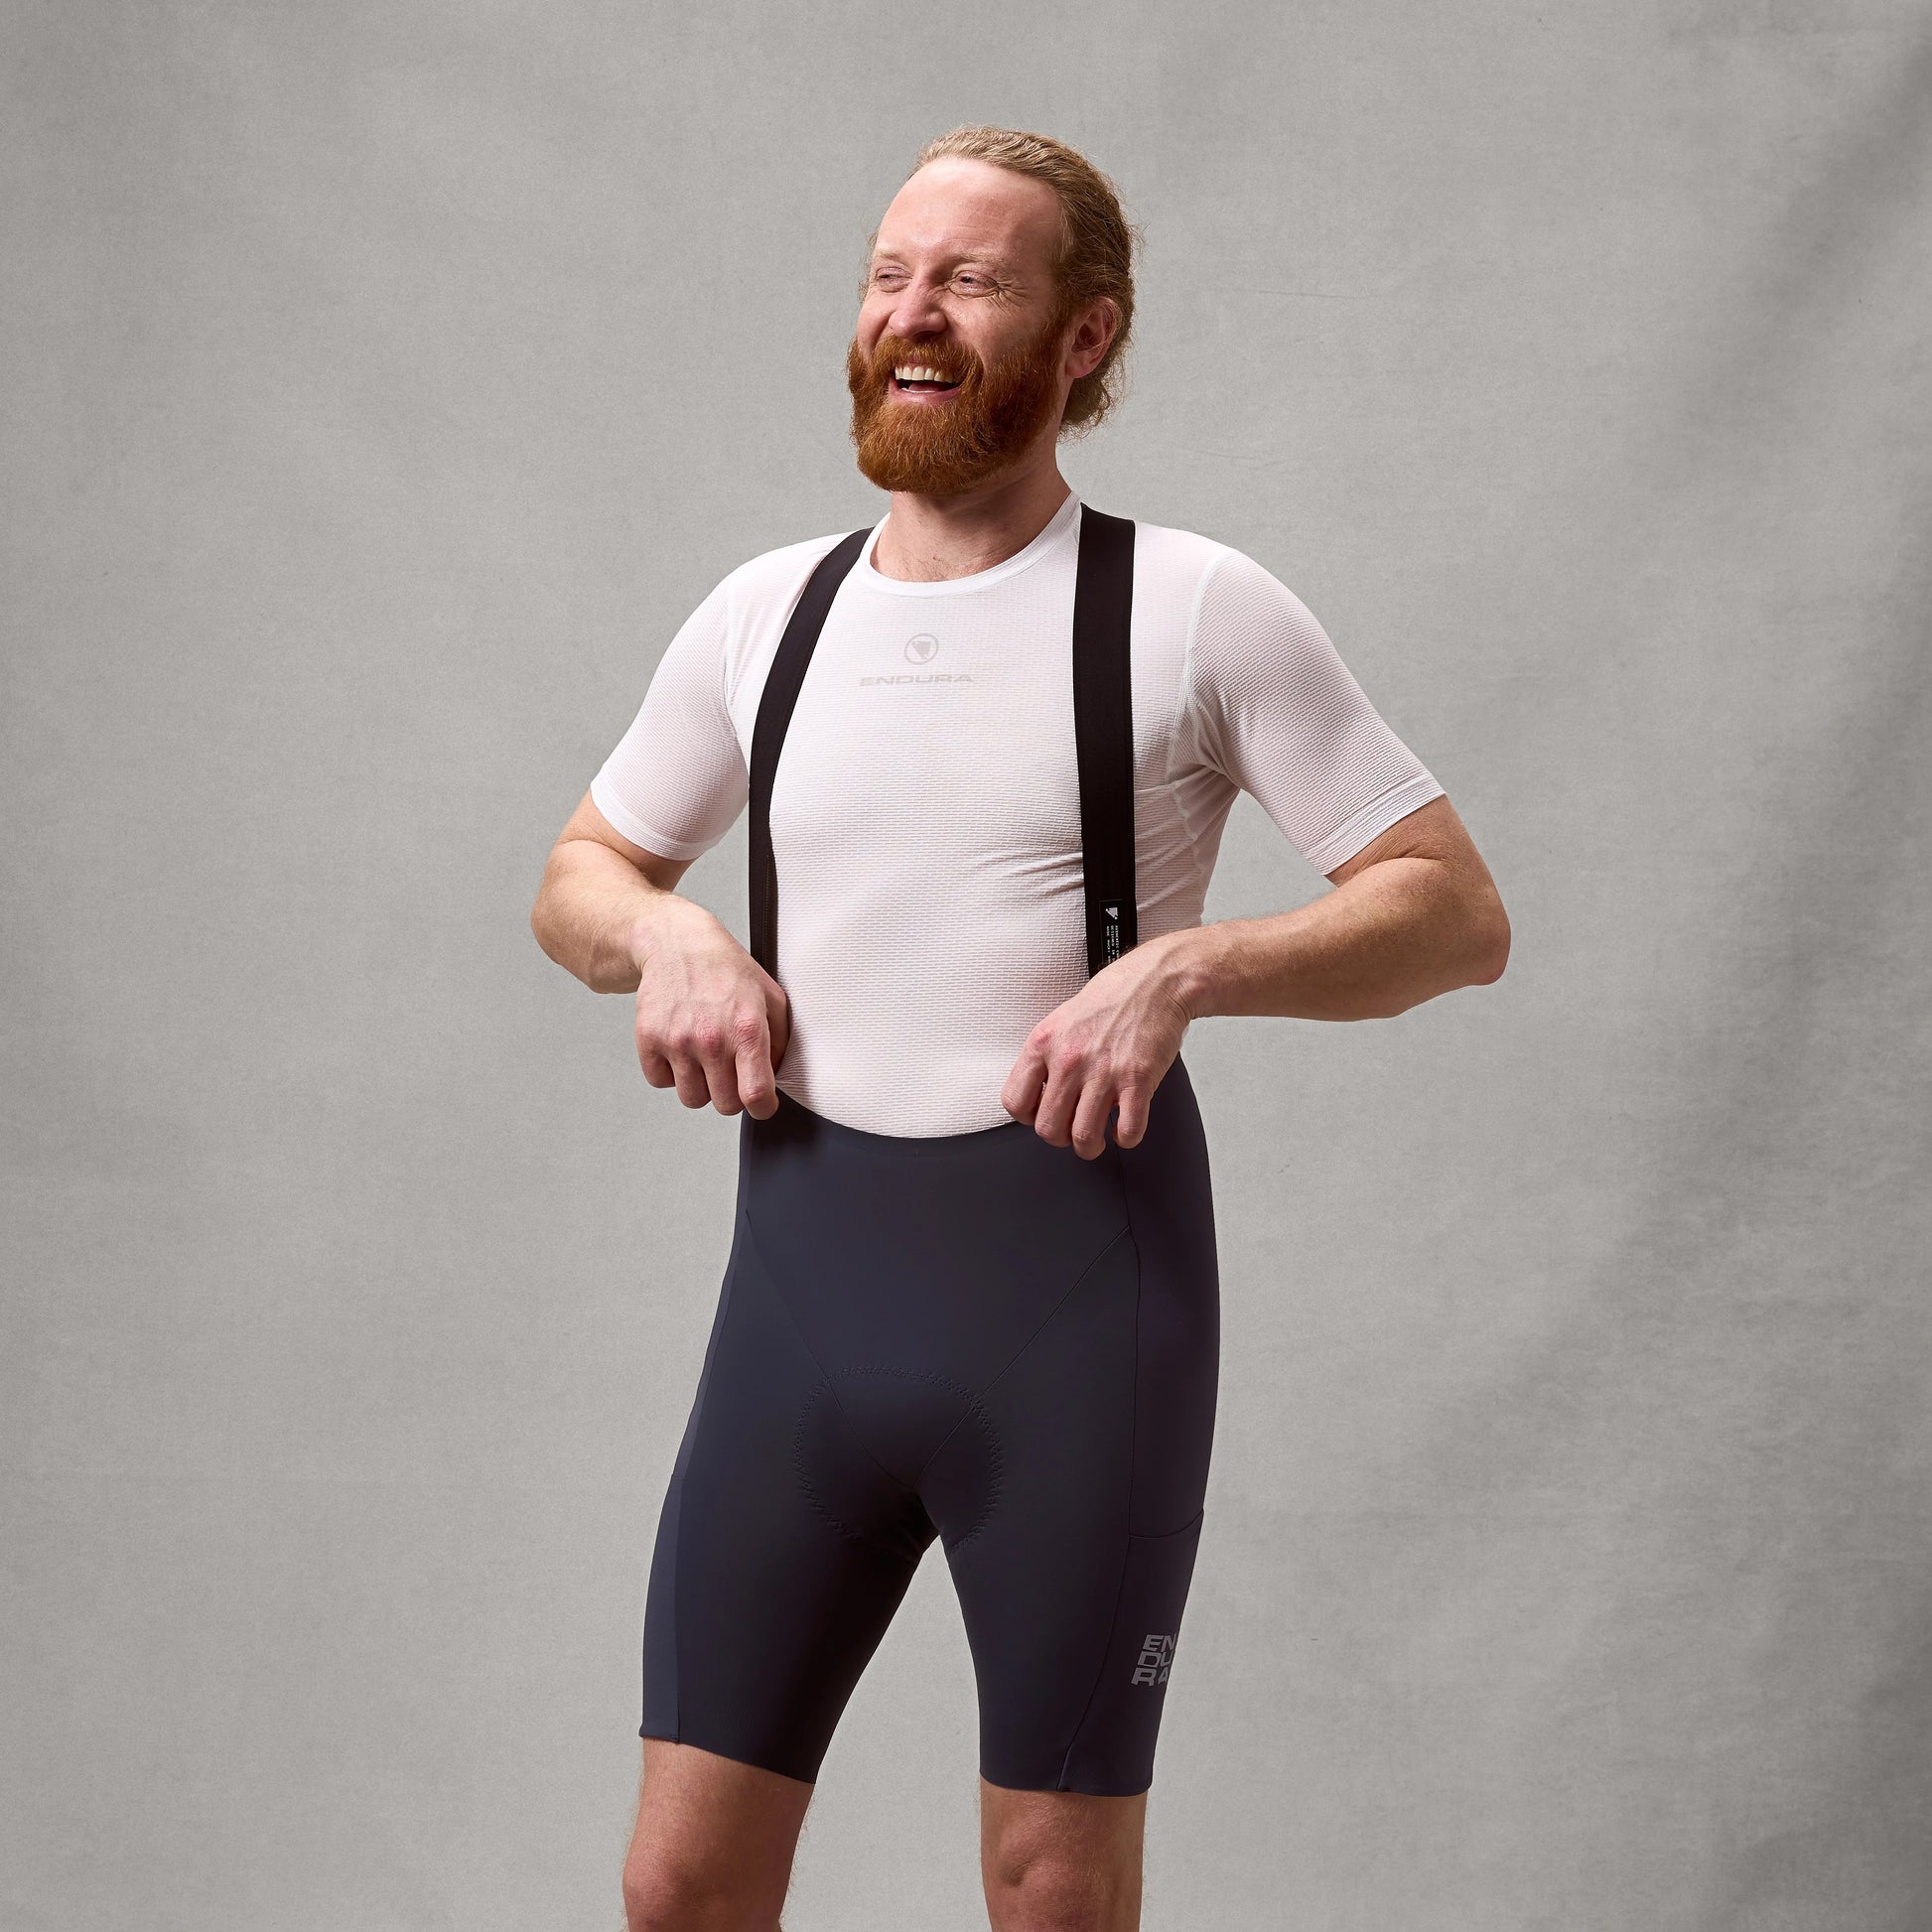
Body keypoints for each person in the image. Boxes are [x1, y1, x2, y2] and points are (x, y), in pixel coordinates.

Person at [530, 124, 1509, 1932]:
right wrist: (667, 932)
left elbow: (1452, 914)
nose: (911, 313)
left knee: (1048, 1887)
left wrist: (1186, 969)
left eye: (970, 281)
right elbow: (580, 874)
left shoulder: (1192, 606)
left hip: (1073, 1310)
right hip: (801, 1303)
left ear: (1082, 336)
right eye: (889, 273)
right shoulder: (767, 615)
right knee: (677, 1885)